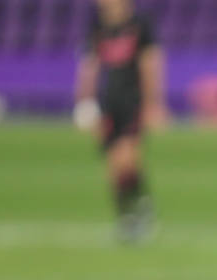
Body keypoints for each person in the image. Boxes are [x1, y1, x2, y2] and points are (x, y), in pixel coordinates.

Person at [74, 0, 167, 243]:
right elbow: (90, 65)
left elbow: (150, 63)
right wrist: (86, 101)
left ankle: (142, 207)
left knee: (127, 157)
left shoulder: (140, 24)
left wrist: (151, 102)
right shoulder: (97, 25)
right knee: (113, 166)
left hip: (132, 101)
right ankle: (127, 216)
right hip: (108, 103)